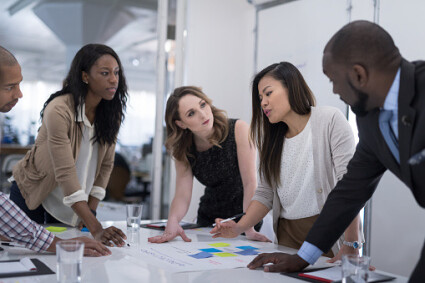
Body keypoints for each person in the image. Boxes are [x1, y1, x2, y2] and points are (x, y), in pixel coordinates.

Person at [246, 20, 425, 282]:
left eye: (334, 81)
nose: (334, 90)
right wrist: (302, 258)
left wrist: (351, 244)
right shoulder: (369, 118)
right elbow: (349, 191)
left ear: (358, 75)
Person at [211, 62, 362, 261]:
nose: (263, 102)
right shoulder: (271, 141)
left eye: (268, 93)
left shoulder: (330, 120)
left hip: (327, 236)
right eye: (260, 98)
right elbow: (265, 194)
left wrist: (352, 243)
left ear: (291, 87)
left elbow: (350, 185)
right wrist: (240, 226)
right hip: (286, 238)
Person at [9, 44, 128, 247]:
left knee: (71, 259)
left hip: (72, 203)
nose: (114, 79)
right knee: (29, 257)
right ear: (85, 76)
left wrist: (90, 212)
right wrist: (96, 228)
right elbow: (65, 172)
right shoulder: (59, 110)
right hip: (34, 192)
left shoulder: (111, 114)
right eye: (105, 73)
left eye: (116, 73)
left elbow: (106, 165)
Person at [148, 86, 260, 243]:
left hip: (244, 219)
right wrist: (172, 222)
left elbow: (250, 183)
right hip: (209, 221)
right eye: (191, 113)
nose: (203, 114)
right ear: (181, 124)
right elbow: (182, 194)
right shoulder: (184, 148)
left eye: (202, 105)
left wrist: (246, 226)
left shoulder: (239, 129)